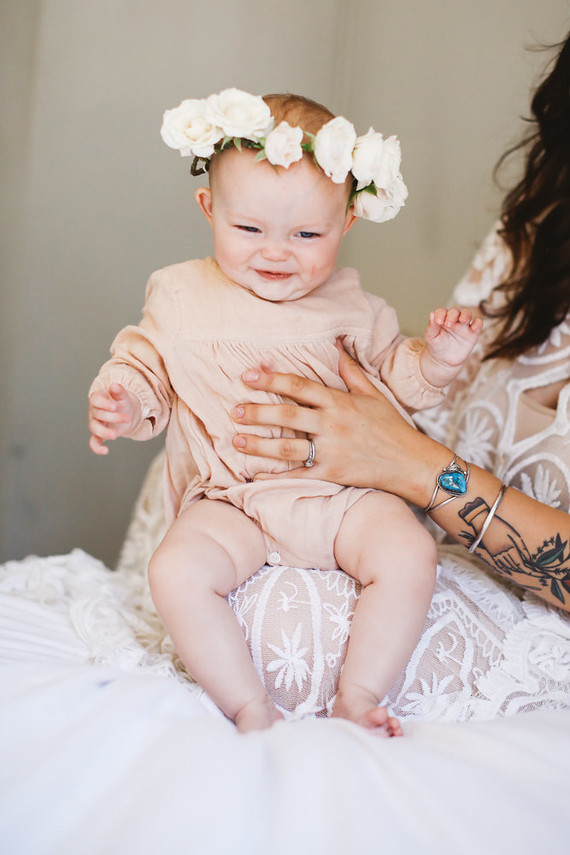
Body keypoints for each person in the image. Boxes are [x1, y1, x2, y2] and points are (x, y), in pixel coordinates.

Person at [88, 89, 481, 734]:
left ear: (347, 224)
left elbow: (400, 382)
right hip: (232, 499)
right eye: (249, 230)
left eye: (306, 234)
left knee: (409, 551)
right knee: (177, 569)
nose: (276, 252)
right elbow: (145, 367)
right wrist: (124, 402)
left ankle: (359, 694)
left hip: (342, 494)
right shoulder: (181, 292)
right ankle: (247, 705)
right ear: (208, 207)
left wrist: (439, 357)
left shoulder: (357, 306)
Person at [230, 34, 570, 616]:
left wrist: (412, 464)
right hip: (429, 557)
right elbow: (434, 402)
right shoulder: (530, 242)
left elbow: (409, 451)